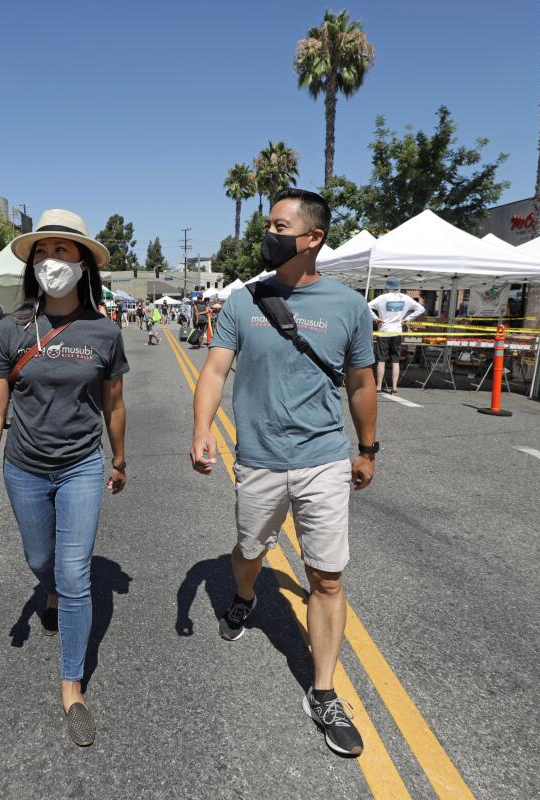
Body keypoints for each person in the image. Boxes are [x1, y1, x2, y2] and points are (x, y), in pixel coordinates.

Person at [191, 188, 378, 757]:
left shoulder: (348, 306)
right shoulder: (244, 302)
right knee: (249, 550)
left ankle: (322, 692)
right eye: (268, 225)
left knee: (327, 576)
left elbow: (362, 383)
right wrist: (201, 429)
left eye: (278, 225)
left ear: (313, 237)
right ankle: (245, 594)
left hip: (324, 457)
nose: (267, 235)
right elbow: (216, 372)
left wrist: (368, 448)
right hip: (260, 458)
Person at [0, 209, 128, 747]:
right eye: (43, 251)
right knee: (41, 562)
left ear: (83, 262)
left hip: (83, 464)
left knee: (76, 573)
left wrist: (120, 458)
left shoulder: (105, 331)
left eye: (64, 251)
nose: (52, 260)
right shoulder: (11, 330)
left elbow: (114, 401)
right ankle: (51, 594)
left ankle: (72, 687)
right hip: (25, 468)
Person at [367, 277, 425, 393]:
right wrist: (407, 319)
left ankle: (378, 386)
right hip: (397, 332)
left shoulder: (382, 298)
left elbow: (367, 306)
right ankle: (394, 387)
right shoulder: (405, 298)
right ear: (398, 287)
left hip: (384, 332)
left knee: (381, 360)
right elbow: (421, 309)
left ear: (387, 287)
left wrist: (376, 318)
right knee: (395, 361)